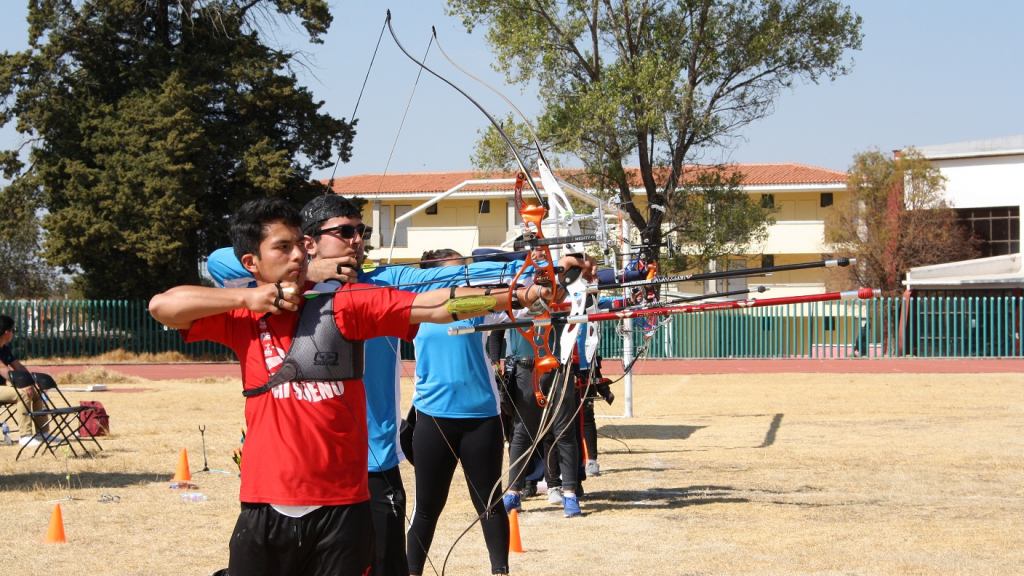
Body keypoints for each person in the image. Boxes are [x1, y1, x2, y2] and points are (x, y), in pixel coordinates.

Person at [149, 197, 559, 576]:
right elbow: (162, 306)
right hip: (265, 500)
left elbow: (439, 304)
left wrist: (518, 295)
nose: (295, 256)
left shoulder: (348, 303)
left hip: (343, 504)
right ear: (251, 262)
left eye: (298, 246)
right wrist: (250, 299)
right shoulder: (242, 318)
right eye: (283, 248)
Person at [405, 249, 512, 576]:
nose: (464, 279)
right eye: (455, 274)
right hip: (433, 420)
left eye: (465, 273)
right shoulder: (414, 307)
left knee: (490, 506)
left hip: (481, 421)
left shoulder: (475, 304)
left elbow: (521, 300)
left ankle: (500, 570)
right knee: (426, 509)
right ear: (430, 278)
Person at [0, 315, 50, 446]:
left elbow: (19, 367)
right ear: (6, 332)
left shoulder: (4, 349)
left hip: (2, 388)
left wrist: (33, 383)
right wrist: (22, 385)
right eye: (13, 330)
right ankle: (25, 436)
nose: (13, 333)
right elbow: (3, 369)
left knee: (37, 393)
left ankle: (43, 434)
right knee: (23, 393)